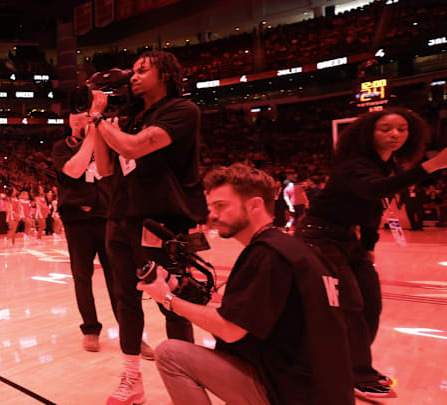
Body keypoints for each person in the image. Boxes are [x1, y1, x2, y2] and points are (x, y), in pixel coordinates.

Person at [139, 163, 355, 405]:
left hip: (294, 394)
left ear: (255, 205)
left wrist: (168, 299)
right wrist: (180, 289)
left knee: (171, 354)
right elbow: (245, 323)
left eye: (221, 206)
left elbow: (229, 330)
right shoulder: (295, 250)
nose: (213, 215)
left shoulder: (267, 254)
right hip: (325, 390)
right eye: (211, 207)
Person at [295, 107, 447, 399]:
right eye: (386, 129)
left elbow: (372, 209)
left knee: (371, 305)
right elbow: (372, 191)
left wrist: (367, 245)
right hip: (318, 236)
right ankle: (357, 372)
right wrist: (432, 166)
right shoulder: (354, 165)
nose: (395, 134)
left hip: (348, 240)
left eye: (402, 129)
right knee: (350, 304)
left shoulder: (388, 167)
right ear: (369, 133)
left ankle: (352, 364)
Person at [91, 50, 207, 405]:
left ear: (167, 75)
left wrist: (98, 117)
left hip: (163, 222)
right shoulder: (132, 117)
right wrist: (98, 117)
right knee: (127, 302)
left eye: (143, 70)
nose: (134, 76)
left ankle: (188, 385)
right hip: (122, 216)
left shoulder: (183, 111)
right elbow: (106, 166)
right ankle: (131, 379)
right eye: (133, 71)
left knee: (173, 303)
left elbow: (134, 148)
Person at [51, 112, 121, 352]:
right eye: (76, 117)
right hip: (77, 220)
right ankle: (91, 328)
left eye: (86, 116)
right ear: (69, 120)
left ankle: (129, 330)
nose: (82, 121)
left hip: (106, 217)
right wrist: (91, 135)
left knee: (117, 277)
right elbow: (74, 170)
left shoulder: (107, 143)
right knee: (82, 276)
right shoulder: (61, 147)